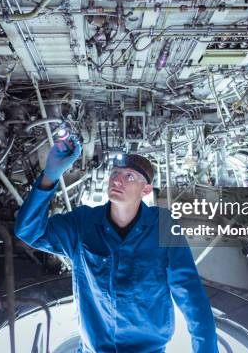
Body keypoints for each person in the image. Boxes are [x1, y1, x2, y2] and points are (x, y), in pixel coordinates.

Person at [15, 135, 218, 353]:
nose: (117, 180)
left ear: (146, 190)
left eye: (129, 176)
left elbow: (190, 295)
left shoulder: (164, 226)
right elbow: (29, 231)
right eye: (115, 174)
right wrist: (50, 175)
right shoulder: (83, 223)